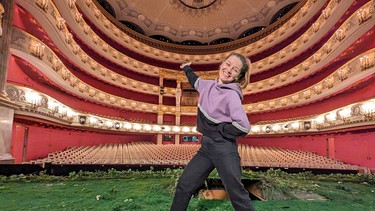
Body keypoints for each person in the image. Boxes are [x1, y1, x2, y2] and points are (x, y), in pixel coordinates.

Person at [170, 52, 255, 211]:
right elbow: (195, 81)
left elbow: (244, 126)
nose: (229, 70)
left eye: (235, 69)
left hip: (224, 149)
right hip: (206, 148)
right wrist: (187, 68)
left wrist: (221, 128)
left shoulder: (231, 95)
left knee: (237, 195)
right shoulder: (208, 85)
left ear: (238, 76)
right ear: (222, 64)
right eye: (228, 64)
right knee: (184, 185)